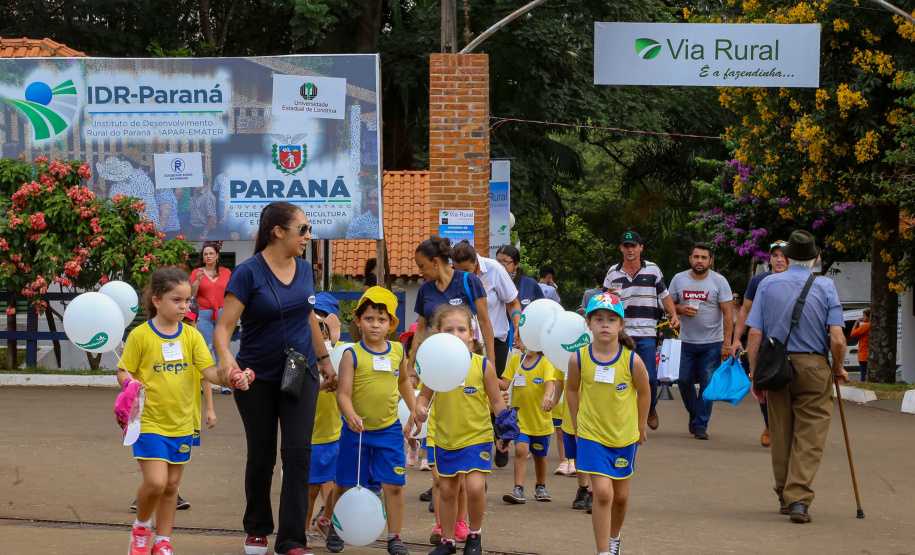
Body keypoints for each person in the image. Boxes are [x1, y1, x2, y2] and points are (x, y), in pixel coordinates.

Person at [213, 201, 336, 555]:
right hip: (257, 379)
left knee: (298, 454)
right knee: (262, 456)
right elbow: (223, 327)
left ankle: (292, 541)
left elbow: (308, 317)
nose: (308, 236)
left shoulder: (303, 269)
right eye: (303, 229)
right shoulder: (248, 272)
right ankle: (257, 528)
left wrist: (324, 359)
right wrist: (227, 361)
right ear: (278, 231)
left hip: (301, 372)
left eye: (309, 229)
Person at [119, 268, 250, 555]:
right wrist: (130, 383)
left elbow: (210, 371)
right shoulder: (140, 336)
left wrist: (232, 376)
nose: (184, 306)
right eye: (176, 300)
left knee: (172, 487)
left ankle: (163, 541)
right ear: (156, 301)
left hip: (183, 423)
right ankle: (142, 528)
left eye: (188, 301)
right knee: (155, 482)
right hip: (149, 422)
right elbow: (122, 372)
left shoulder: (191, 336)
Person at [746, 230, 849, 524]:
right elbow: (838, 339)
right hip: (815, 366)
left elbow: (755, 333)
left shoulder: (767, 285)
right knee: (810, 435)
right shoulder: (826, 286)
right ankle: (799, 498)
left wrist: (756, 375)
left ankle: (783, 493)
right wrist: (839, 368)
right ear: (816, 259)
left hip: (777, 366)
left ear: (787, 257)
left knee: (780, 432)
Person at [406, 304, 518, 555]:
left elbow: (498, 402)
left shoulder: (483, 366)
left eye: (461, 329)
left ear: (472, 334)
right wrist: (420, 410)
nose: (456, 334)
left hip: (476, 438)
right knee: (446, 491)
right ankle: (447, 541)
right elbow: (423, 397)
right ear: (439, 334)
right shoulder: (435, 366)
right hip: (446, 439)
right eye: (449, 329)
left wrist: (506, 431)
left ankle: (474, 535)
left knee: (476, 488)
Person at [323, 287, 414, 555]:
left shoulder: (398, 350)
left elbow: (404, 380)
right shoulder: (352, 355)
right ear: (359, 321)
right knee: (344, 483)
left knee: (394, 486)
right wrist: (349, 414)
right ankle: (333, 526)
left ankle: (394, 537)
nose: (375, 324)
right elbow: (343, 394)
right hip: (356, 433)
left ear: (391, 324)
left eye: (382, 319)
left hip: (389, 431)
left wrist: (414, 408)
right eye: (370, 318)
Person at [567, 292, 649, 555]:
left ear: (621, 325)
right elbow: (572, 389)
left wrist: (642, 426)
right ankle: (603, 551)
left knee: (621, 498)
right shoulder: (578, 358)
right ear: (589, 323)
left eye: (612, 319)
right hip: (592, 435)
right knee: (603, 493)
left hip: (624, 436)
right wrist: (577, 423)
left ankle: (614, 538)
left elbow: (645, 391)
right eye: (599, 318)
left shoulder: (632, 360)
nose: (605, 324)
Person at [603, 231, 680, 432]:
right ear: (621, 248)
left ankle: (651, 409)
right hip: (621, 333)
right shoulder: (613, 273)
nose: (630, 250)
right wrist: (609, 298)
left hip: (646, 332)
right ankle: (619, 417)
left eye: (633, 246)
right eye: (626, 246)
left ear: (641, 248)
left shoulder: (652, 270)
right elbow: (603, 301)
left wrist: (674, 315)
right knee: (618, 376)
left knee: (650, 377)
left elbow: (664, 295)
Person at [668, 242, 734, 440]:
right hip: (686, 341)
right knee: (684, 381)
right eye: (696, 257)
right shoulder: (679, 279)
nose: (699, 261)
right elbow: (669, 304)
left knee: (707, 382)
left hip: (712, 342)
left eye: (704, 257)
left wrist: (727, 344)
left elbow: (728, 314)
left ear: (710, 261)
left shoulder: (719, 281)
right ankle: (694, 412)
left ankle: (700, 425)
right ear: (690, 259)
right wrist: (679, 310)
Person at [731, 240, 790, 447]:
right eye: (775, 255)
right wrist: (737, 339)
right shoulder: (759, 281)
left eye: (784, 255)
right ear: (769, 258)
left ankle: (786, 429)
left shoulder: (800, 281)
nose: (780, 259)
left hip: (792, 345)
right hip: (763, 344)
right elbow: (745, 311)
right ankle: (769, 424)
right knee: (762, 385)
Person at [408, 236, 495, 375]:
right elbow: (420, 328)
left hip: (465, 360)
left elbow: (485, 322)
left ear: (435, 261)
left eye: (422, 266)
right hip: (433, 360)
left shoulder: (469, 281)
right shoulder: (425, 288)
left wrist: (491, 363)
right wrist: (410, 365)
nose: (420, 271)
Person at [451, 240, 522, 377]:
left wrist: (518, 328)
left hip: (495, 342)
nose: (462, 275)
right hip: (462, 342)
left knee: (493, 389)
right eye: (457, 270)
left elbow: (513, 304)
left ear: (475, 262)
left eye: (466, 270)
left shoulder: (495, 269)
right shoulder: (450, 273)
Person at [499, 344, 556, 504]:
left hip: (540, 422)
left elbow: (550, 384)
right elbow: (504, 384)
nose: (521, 340)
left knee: (540, 457)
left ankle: (540, 486)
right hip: (520, 421)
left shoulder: (545, 362)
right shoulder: (516, 360)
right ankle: (518, 489)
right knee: (521, 451)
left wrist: (546, 397)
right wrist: (486, 373)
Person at [308, 306, 344, 551]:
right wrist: (324, 384)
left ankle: (327, 521)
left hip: (336, 432)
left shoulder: (342, 353)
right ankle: (300, 531)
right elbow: (296, 388)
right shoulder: (299, 356)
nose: (318, 333)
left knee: (335, 483)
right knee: (309, 489)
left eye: (323, 327)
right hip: (309, 435)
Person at [191, 242, 232, 394]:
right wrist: (198, 280)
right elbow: (192, 294)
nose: (208, 256)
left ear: (217, 256)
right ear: (203, 257)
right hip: (204, 314)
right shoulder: (197, 272)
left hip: (222, 313)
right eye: (205, 254)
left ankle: (225, 383)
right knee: (206, 348)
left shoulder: (226, 272)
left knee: (222, 348)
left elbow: (231, 293)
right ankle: (205, 384)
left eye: (211, 253)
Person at [552, 367, 592, 511]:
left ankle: (594, 493)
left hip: (592, 415)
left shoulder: (594, 355)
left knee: (593, 455)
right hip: (571, 416)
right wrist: (554, 400)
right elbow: (559, 381)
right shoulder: (564, 358)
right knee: (577, 456)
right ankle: (583, 489)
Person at [494, 245, 545, 310]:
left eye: (505, 262)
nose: (501, 265)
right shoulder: (492, 283)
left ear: (516, 264)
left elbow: (542, 309)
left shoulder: (530, 284)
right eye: (498, 261)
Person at [851, 309, 870, 382]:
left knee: (863, 374)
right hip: (869, 353)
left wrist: (856, 323)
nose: (862, 318)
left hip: (864, 353)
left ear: (869, 317)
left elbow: (853, 334)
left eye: (864, 316)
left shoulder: (865, 326)